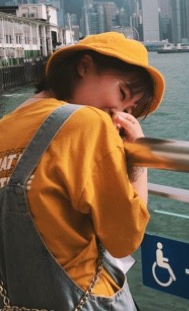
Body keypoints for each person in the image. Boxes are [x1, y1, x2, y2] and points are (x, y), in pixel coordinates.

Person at [0, 32, 165, 310]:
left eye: (129, 111)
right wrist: (140, 161)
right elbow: (125, 239)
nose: (118, 114)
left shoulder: (5, 126)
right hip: (87, 301)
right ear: (84, 66)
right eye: (122, 94)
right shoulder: (89, 122)